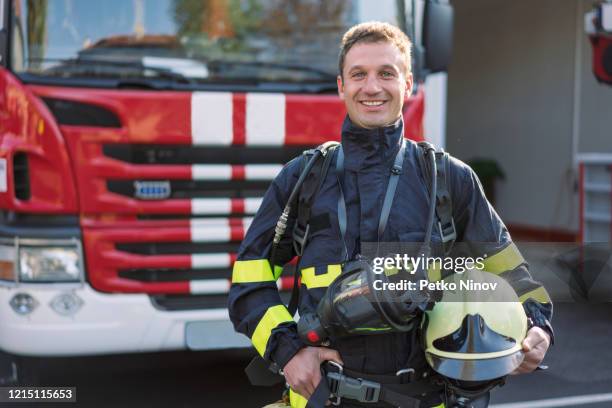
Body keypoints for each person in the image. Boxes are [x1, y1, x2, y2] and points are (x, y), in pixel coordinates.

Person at [228, 22, 553, 408]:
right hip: (325, 398)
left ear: (409, 83)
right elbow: (249, 279)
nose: (372, 87)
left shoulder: (448, 178)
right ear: (341, 86)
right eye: (358, 75)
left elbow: (512, 276)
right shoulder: (302, 179)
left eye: (386, 73)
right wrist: (289, 351)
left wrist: (537, 326)